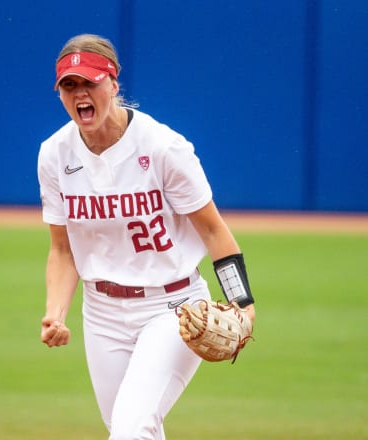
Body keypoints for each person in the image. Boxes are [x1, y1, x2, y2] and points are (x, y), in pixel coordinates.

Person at [37, 34, 256, 440]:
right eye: (69, 85)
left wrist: (243, 303)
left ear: (114, 84)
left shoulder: (163, 149)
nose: (80, 93)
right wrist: (56, 312)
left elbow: (212, 229)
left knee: (130, 428)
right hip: (101, 313)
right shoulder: (54, 155)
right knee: (132, 430)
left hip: (172, 307)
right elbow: (63, 250)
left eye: (90, 82)